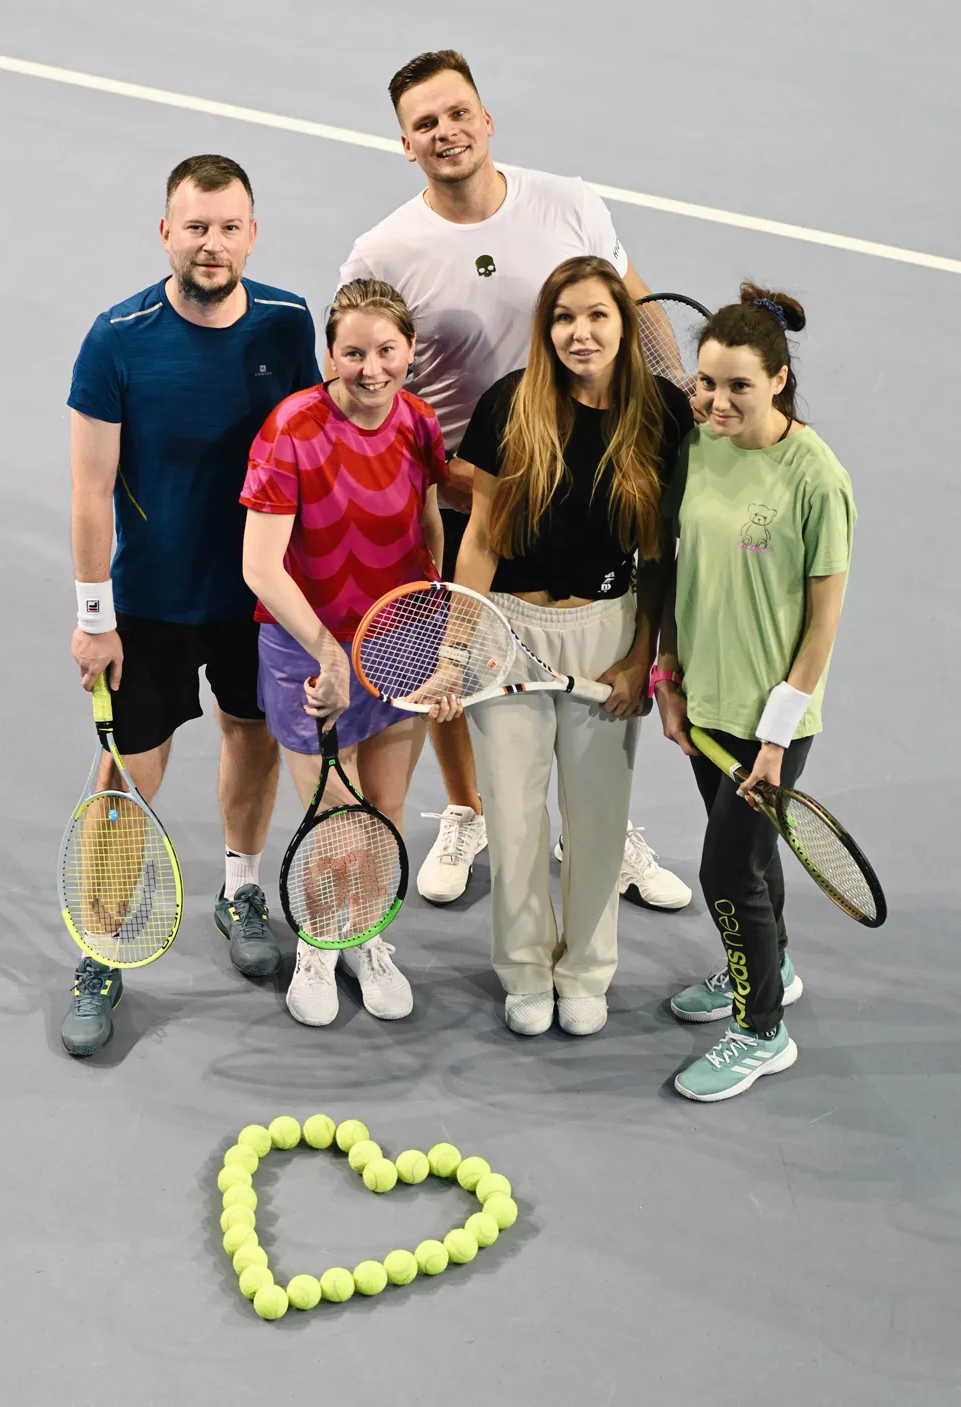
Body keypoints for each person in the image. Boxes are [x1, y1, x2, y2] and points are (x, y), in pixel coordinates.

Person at [337, 49, 691, 911]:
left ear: (487, 118)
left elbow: (636, 306)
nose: (445, 131)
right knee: (459, 660)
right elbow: (377, 381)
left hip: (597, 477)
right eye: (425, 123)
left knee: (601, 652)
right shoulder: (383, 250)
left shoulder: (567, 201)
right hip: (473, 487)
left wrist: (673, 411)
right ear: (404, 144)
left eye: (458, 113)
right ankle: (467, 808)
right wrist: (443, 483)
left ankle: (599, 820)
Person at [62, 155, 319, 1056]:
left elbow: (308, 455)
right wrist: (97, 615)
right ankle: (101, 944)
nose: (212, 244)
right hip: (153, 605)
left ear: (253, 233)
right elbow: (91, 489)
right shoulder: (116, 338)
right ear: (165, 232)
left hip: (254, 597)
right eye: (195, 226)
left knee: (251, 734)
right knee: (130, 772)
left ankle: (240, 886)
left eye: (229, 226)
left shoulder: (289, 324)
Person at [433, 256, 692, 1035]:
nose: (580, 333)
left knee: (598, 818)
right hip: (509, 627)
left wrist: (640, 654)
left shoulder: (663, 414)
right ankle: (524, 969)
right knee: (513, 818)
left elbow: (660, 554)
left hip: (607, 633)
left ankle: (584, 971)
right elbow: (478, 537)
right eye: (564, 318)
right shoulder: (512, 403)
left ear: (623, 325)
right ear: (547, 329)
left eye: (597, 317)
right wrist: (459, 641)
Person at [654, 284, 856, 1100]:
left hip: (773, 718)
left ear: (778, 380)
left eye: (738, 384)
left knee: (727, 870)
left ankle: (762, 1028)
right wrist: (668, 672)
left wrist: (775, 737)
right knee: (752, 855)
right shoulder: (697, 448)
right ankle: (770, 968)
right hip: (705, 700)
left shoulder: (818, 477)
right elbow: (672, 568)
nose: (716, 400)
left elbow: (823, 625)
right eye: (707, 383)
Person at [241, 279, 446, 1028]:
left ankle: (366, 936)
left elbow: (428, 529)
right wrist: (326, 652)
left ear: (409, 351)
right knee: (336, 814)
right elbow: (260, 566)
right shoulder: (290, 427)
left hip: (398, 638)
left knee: (384, 812)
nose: (370, 368)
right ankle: (320, 943)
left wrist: (437, 621)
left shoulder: (418, 422)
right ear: (330, 351)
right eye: (352, 351)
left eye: (386, 350)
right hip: (307, 645)